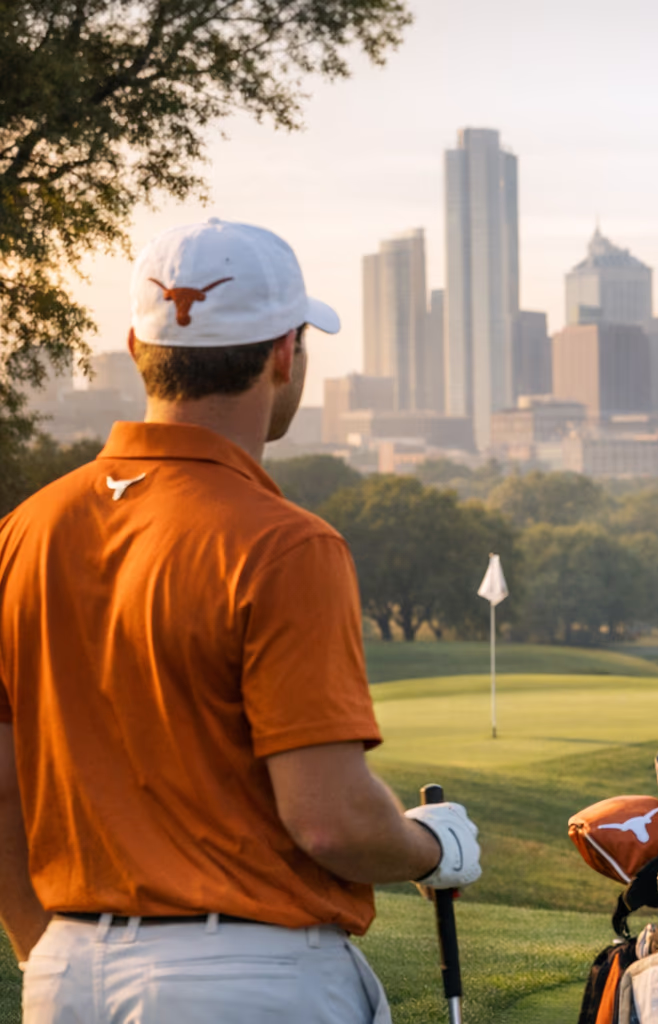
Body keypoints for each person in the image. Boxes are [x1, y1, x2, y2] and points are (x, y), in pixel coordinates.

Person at [0, 218, 482, 1023]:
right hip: (248, 981)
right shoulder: (285, 544)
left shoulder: (23, 532)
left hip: (65, 975)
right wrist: (434, 849)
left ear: (136, 346)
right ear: (286, 353)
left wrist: (46, 952)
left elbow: (4, 792)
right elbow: (328, 821)